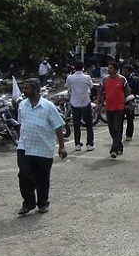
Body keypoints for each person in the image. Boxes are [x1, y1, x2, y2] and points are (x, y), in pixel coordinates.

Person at [15, 78, 68, 216]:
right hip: (25, 146)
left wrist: (62, 147)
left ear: (36, 90)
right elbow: (21, 123)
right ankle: (28, 203)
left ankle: (43, 203)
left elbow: (58, 126)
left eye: (27, 88)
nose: (24, 91)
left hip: (43, 148)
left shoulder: (48, 106)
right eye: (24, 88)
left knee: (42, 178)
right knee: (24, 174)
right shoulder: (22, 105)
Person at [96, 62, 129, 159]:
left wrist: (130, 104)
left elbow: (127, 92)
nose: (108, 70)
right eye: (108, 68)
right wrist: (98, 104)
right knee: (111, 129)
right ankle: (119, 146)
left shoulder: (122, 79)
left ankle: (114, 149)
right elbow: (100, 93)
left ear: (115, 69)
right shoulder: (104, 80)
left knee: (117, 127)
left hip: (119, 107)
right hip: (108, 107)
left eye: (110, 68)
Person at [65, 61, 94, 152]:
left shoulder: (70, 78)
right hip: (85, 102)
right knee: (89, 124)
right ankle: (90, 144)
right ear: (83, 67)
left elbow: (68, 87)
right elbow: (91, 86)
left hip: (74, 103)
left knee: (76, 125)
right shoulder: (87, 77)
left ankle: (77, 144)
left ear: (74, 67)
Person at [122, 64, 139, 142]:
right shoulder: (121, 79)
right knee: (119, 120)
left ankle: (129, 135)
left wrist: (131, 96)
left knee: (130, 119)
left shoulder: (134, 80)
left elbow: (137, 91)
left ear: (130, 72)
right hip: (121, 101)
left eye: (126, 71)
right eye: (124, 71)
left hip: (131, 101)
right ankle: (119, 135)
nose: (125, 72)